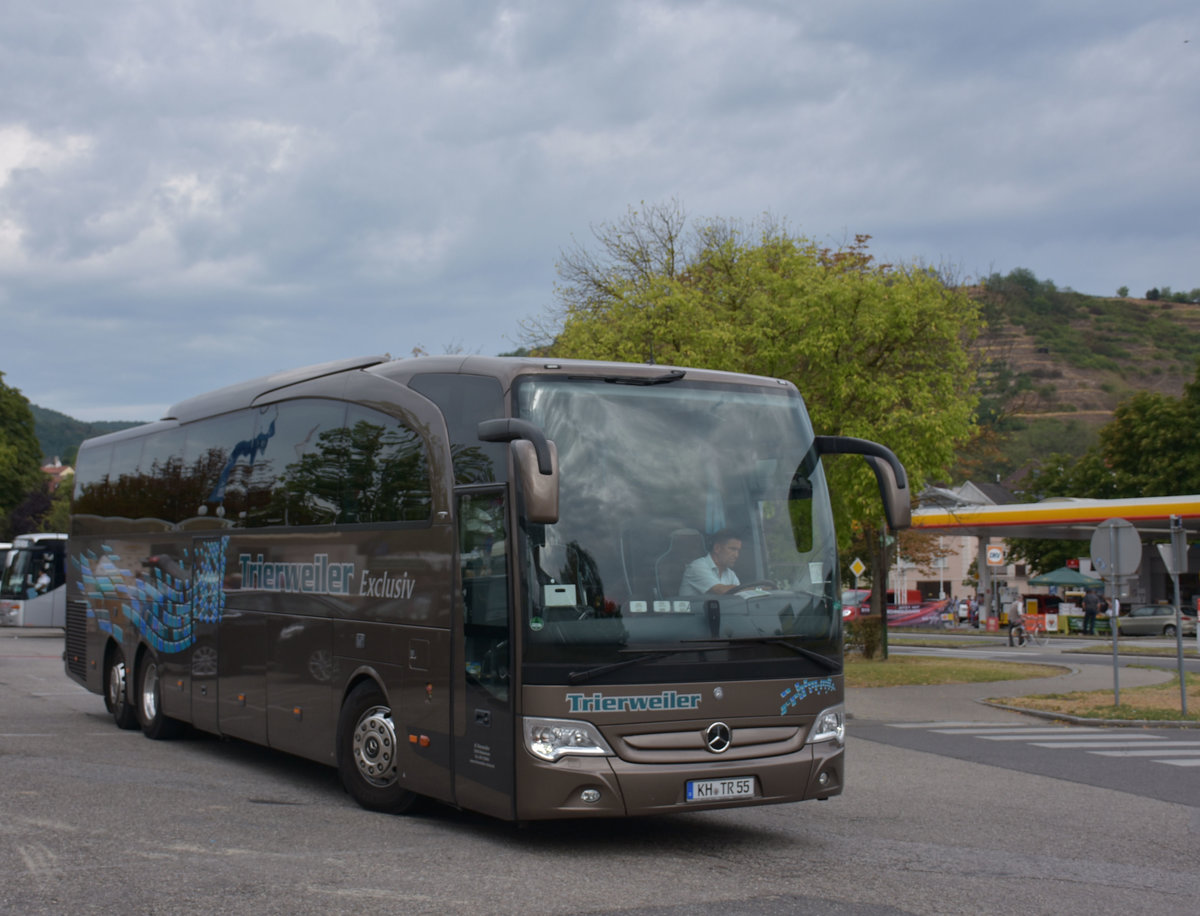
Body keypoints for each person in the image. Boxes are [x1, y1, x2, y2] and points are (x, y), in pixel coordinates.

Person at [680, 529, 742, 595]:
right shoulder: (697, 567)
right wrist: (752, 588)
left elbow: (742, 595)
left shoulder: (730, 574)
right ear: (717, 548)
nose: (736, 555)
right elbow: (720, 590)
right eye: (733, 549)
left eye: (738, 551)